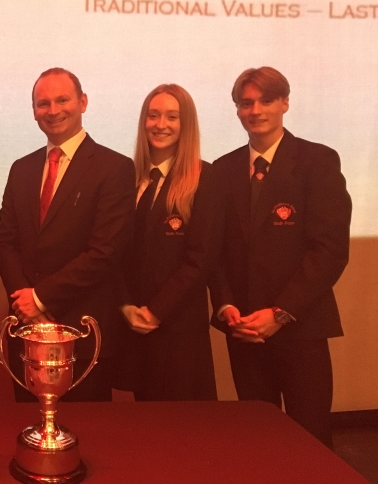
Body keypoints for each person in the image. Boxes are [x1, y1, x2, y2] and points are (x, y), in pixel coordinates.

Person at [211, 67, 351, 447]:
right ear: (237, 110)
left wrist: (280, 313)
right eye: (246, 103)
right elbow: (216, 251)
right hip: (243, 330)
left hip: (299, 325)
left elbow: (330, 250)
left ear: (285, 103)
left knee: (310, 436)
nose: (255, 110)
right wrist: (225, 306)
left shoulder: (317, 161)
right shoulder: (222, 170)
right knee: (258, 437)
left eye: (266, 100)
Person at [0, 68, 135, 402]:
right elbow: (4, 242)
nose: (53, 110)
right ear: (34, 112)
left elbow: (104, 251)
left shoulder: (114, 168)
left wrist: (41, 298)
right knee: (29, 431)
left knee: (86, 437)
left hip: (82, 333)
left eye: (62, 100)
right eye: (43, 103)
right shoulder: (22, 168)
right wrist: (25, 302)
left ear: (83, 102)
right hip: (27, 333)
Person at [119, 84, 218, 401]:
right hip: (134, 326)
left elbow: (200, 260)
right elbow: (115, 253)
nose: (161, 124)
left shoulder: (206, 178)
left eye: (172, 117)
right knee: (144, 427)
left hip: (179, 329)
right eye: (153, 115)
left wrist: (157, 311)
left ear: (185, 124)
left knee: (182, 432)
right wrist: (125, 307)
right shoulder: (128, 177)